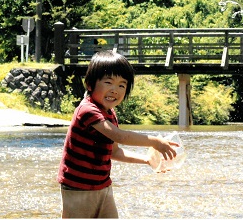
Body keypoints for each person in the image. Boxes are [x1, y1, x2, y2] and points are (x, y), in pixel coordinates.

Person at [58, 50, 178, 218]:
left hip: (103, 185)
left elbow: (114, 151)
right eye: (109, 82)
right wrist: (155, 141)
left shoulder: (110, 114)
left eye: (122, 85)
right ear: (90, 84)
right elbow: (120, 136)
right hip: (78, 188)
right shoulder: (87, 110)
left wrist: (146, 160)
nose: (115, 90)